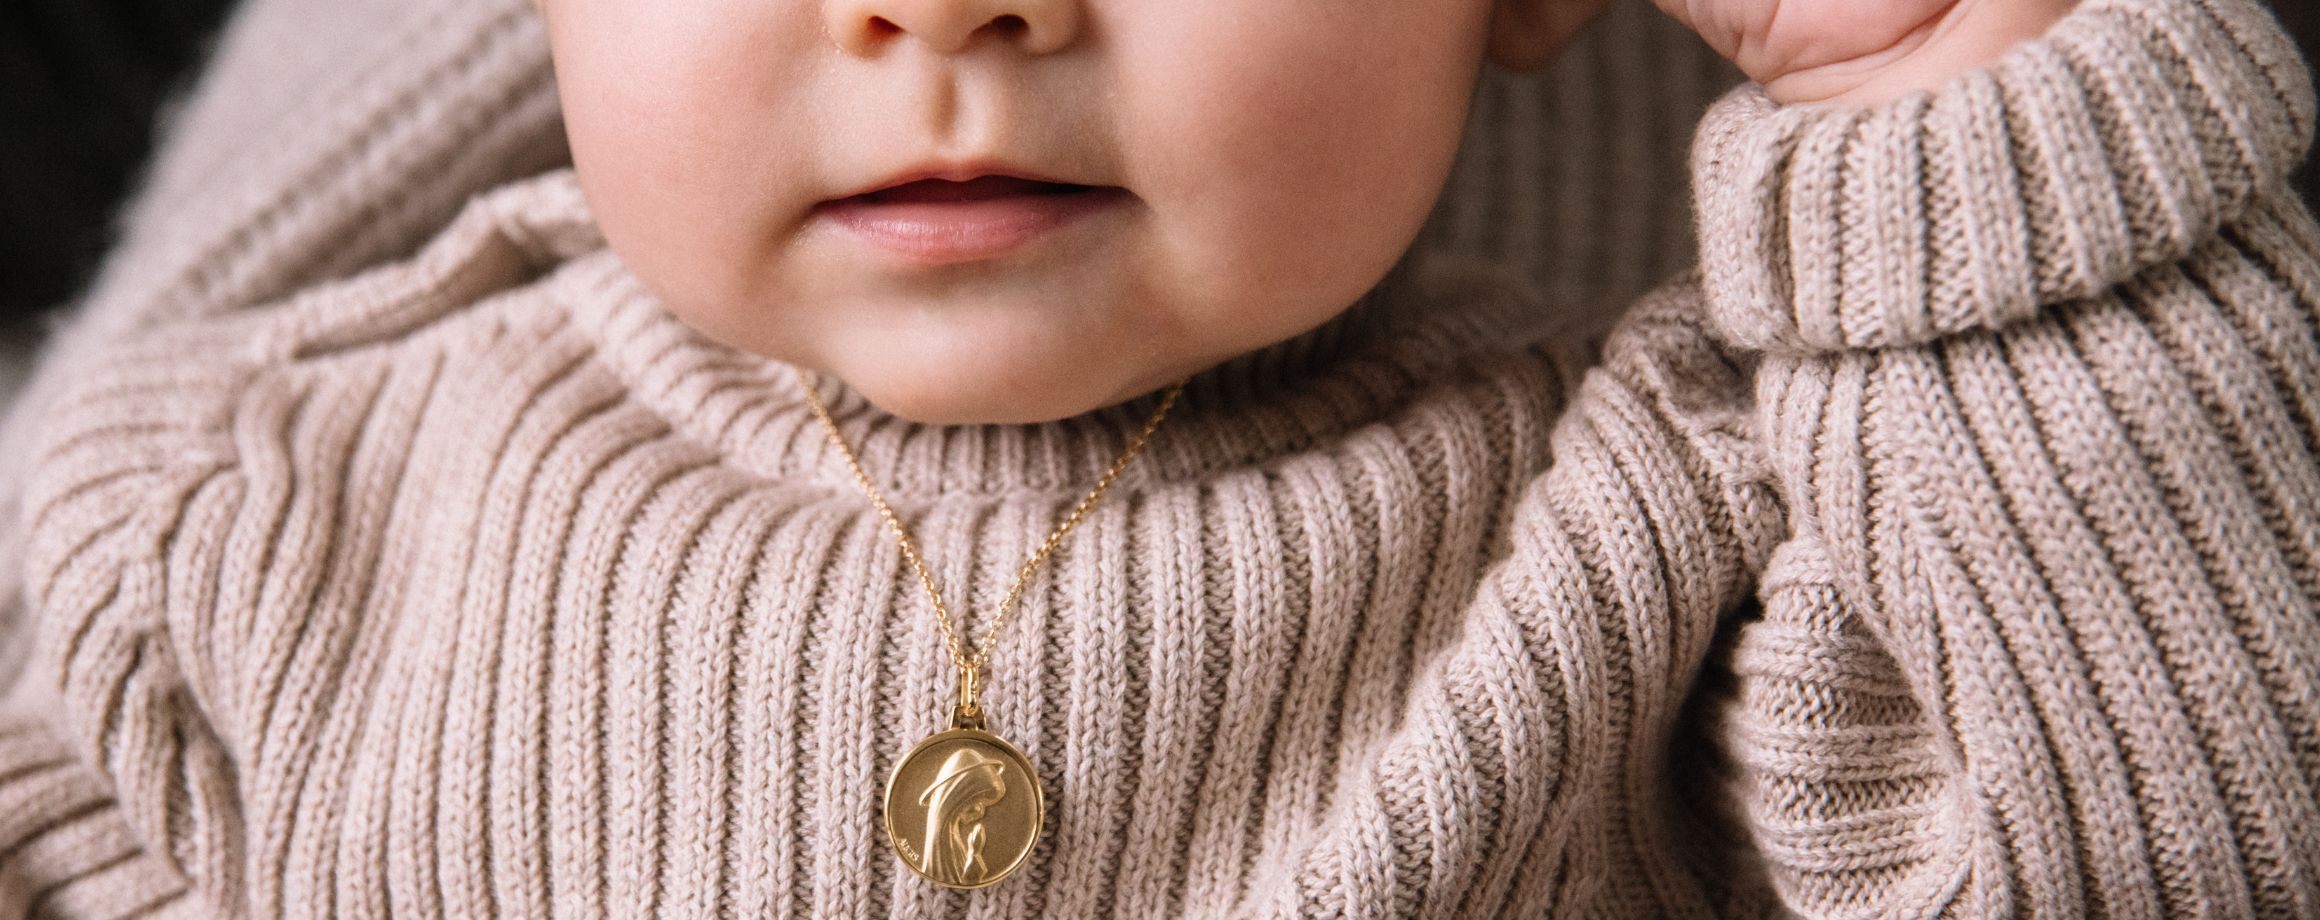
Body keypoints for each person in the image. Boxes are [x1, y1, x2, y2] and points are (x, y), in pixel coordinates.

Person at [0, 0, 2312, 914]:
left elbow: (2159, 841)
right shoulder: (235, 521)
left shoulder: (1690, 525)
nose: (952, 7)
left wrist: (1931, 66)